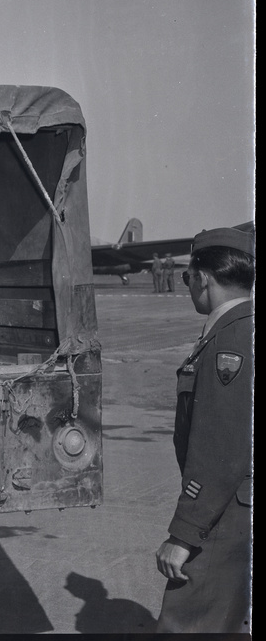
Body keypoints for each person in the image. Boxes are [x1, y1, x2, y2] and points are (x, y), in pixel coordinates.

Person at [154, 226, 253, 633]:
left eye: (187, 277)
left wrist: (184, 534)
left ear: (203, 277)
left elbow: (221, 448)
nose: (188, 285)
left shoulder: (229, 343)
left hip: (222, 513)